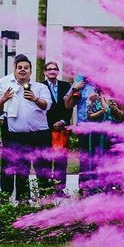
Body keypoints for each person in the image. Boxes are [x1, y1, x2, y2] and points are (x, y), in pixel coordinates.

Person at [0, 54, 52, 204]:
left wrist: (35, 99)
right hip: (17, 136)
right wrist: (3, 99)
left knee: (43, 167)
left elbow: (47, 106)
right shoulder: (8, 87)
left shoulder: (41, 87)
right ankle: (23, 199)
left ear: (31, 71)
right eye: (20, 68)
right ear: (15, 70)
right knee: (21, 169)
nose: (23, 70)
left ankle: (46, 198)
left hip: (40, 135)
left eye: (26, 68)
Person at [41, 61, 73, 194]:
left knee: (61, 159)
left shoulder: (66, 86)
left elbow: (70, 105)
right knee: (45, 158)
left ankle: (60, 188)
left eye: (54, 69)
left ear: (58, 71)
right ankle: (46, 189)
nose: (52, 71)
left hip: (62, 127)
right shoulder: (40, 87)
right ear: (45, 72)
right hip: (45, 128)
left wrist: (63, 121)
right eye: (49, 69)